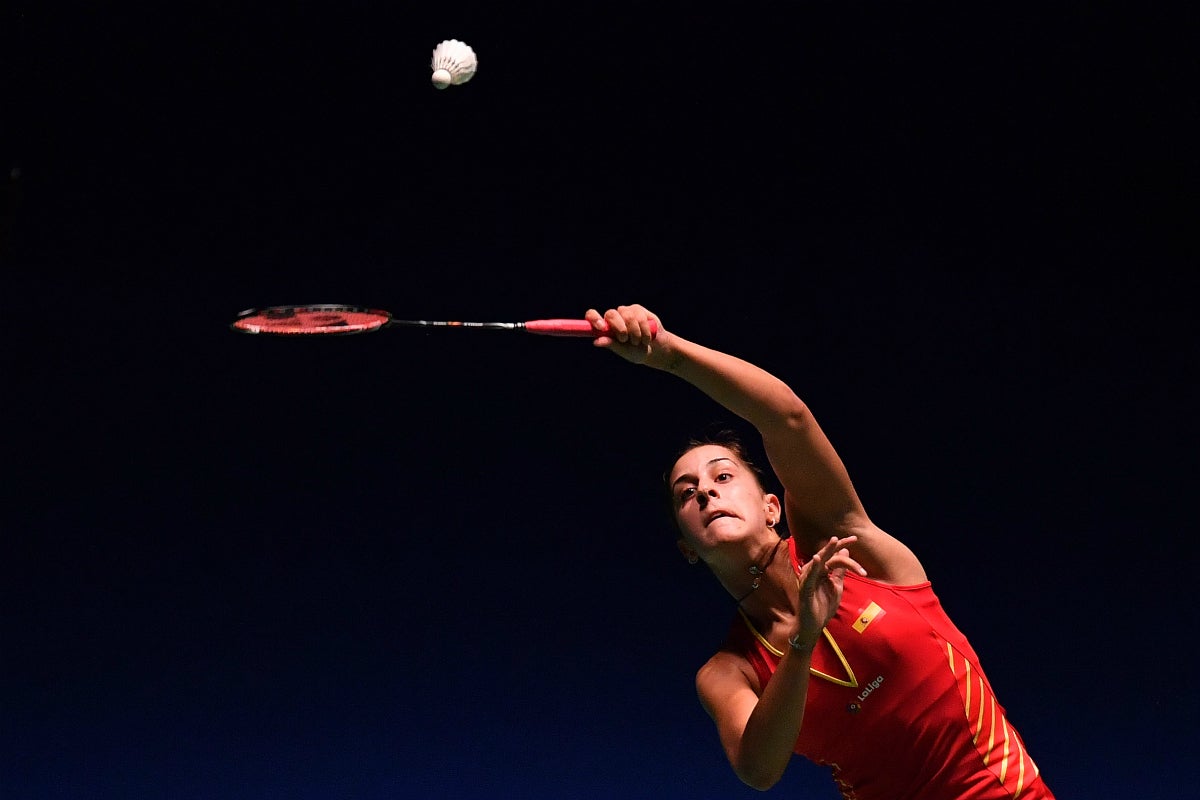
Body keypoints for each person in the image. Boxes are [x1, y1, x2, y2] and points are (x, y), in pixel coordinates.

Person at [585, 304, 1055, 800]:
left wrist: (671, 355)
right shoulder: (729, 671)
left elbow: (785, 417)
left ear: (772, 508)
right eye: (687, 493)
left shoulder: (848, 543)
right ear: (688, 549)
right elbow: (758, 769)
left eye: (723, 477)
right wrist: (803, 639)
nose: (705, 492)